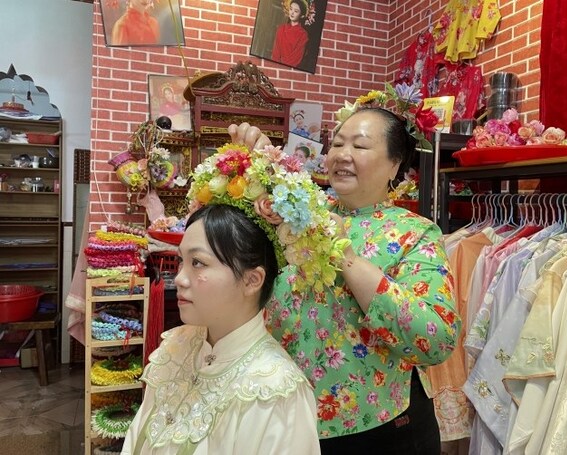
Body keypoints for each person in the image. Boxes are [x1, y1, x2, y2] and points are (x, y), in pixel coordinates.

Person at [228, 107, 461, 454]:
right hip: (285, 419)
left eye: (361, 146)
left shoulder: (415, 232)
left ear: (395, 164)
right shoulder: (299, 211)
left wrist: (347, 258)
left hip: (380, 430)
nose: (342, 155)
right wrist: (259, 171)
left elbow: (436, 339)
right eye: (337, 144)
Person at [121, 204, 320, 454]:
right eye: (182, 261)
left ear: (251, 280)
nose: (180, 278)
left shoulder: (275, 391)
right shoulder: (176, 346)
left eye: (198, 263)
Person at [271, 0, 309, 67]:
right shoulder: (281, 29)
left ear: (302, 15)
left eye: (296, 11)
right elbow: (275, 52)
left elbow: (296, 58)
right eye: (291, 9)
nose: (292, 13)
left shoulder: (303, 35)